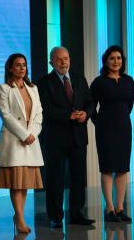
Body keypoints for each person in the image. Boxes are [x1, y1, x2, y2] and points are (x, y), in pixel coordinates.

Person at [37, 46, 95, 228]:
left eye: (66, 58)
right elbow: (45, 109)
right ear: (51, 62)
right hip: (55, 138)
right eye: (59, 59)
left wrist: (86, 113)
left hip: (78, 135)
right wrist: (67, 115)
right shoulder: (44, 82)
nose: (63, 62)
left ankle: (77, 214)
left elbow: (90, 102)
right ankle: (55, 216)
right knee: (55, 179)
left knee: (78, 177)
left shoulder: (79, 79)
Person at [0, 53, 44, 233]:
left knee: (24, 183)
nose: (22, 68)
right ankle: (20, 219)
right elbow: (6, 115)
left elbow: (39, 113)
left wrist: (32, 134)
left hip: (30, 141)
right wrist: (24, 134)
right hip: (14, 141)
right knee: (16, 182)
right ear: (10, 68)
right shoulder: (4, 88)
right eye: (18, 65)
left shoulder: (33, 88)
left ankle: (19, 215)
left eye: (24, 65)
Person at [90, 46, 134, 223]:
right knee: (107, 168)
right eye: (112, 59)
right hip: (105, 129)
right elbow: (91, 106)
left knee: (123, 168)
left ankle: (120, 208)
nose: (116, 62)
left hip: (124, 128)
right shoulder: (99, 82)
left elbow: (129, 105)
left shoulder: (129, 81)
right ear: (106, 61)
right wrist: (99, 122)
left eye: (118, 58)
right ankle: (109, 209)